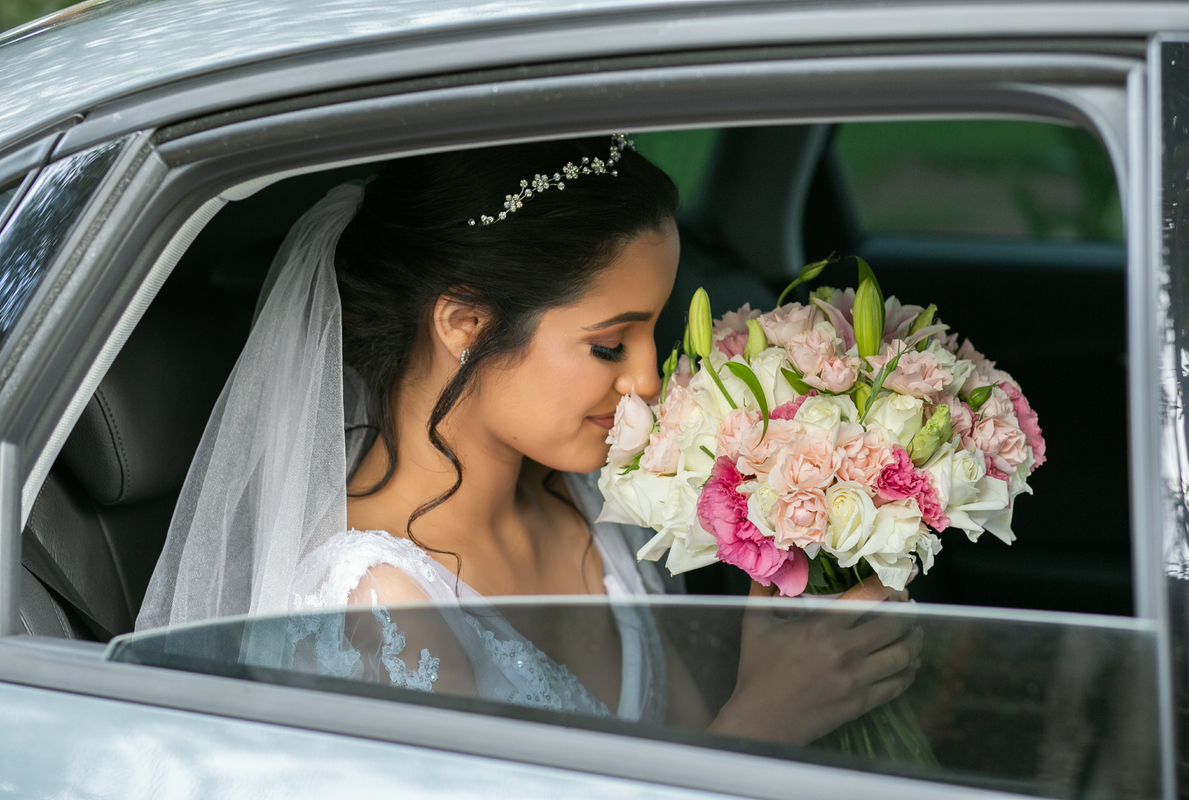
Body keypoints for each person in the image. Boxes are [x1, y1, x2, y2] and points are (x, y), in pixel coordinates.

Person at [137, 135, 920, 744]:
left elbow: (687, 740)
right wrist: (769, 721)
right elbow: (725, 746)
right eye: (611, 345)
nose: (646, 381)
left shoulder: (582, 501)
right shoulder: (379, 605)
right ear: (465, 325)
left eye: (655, 333)